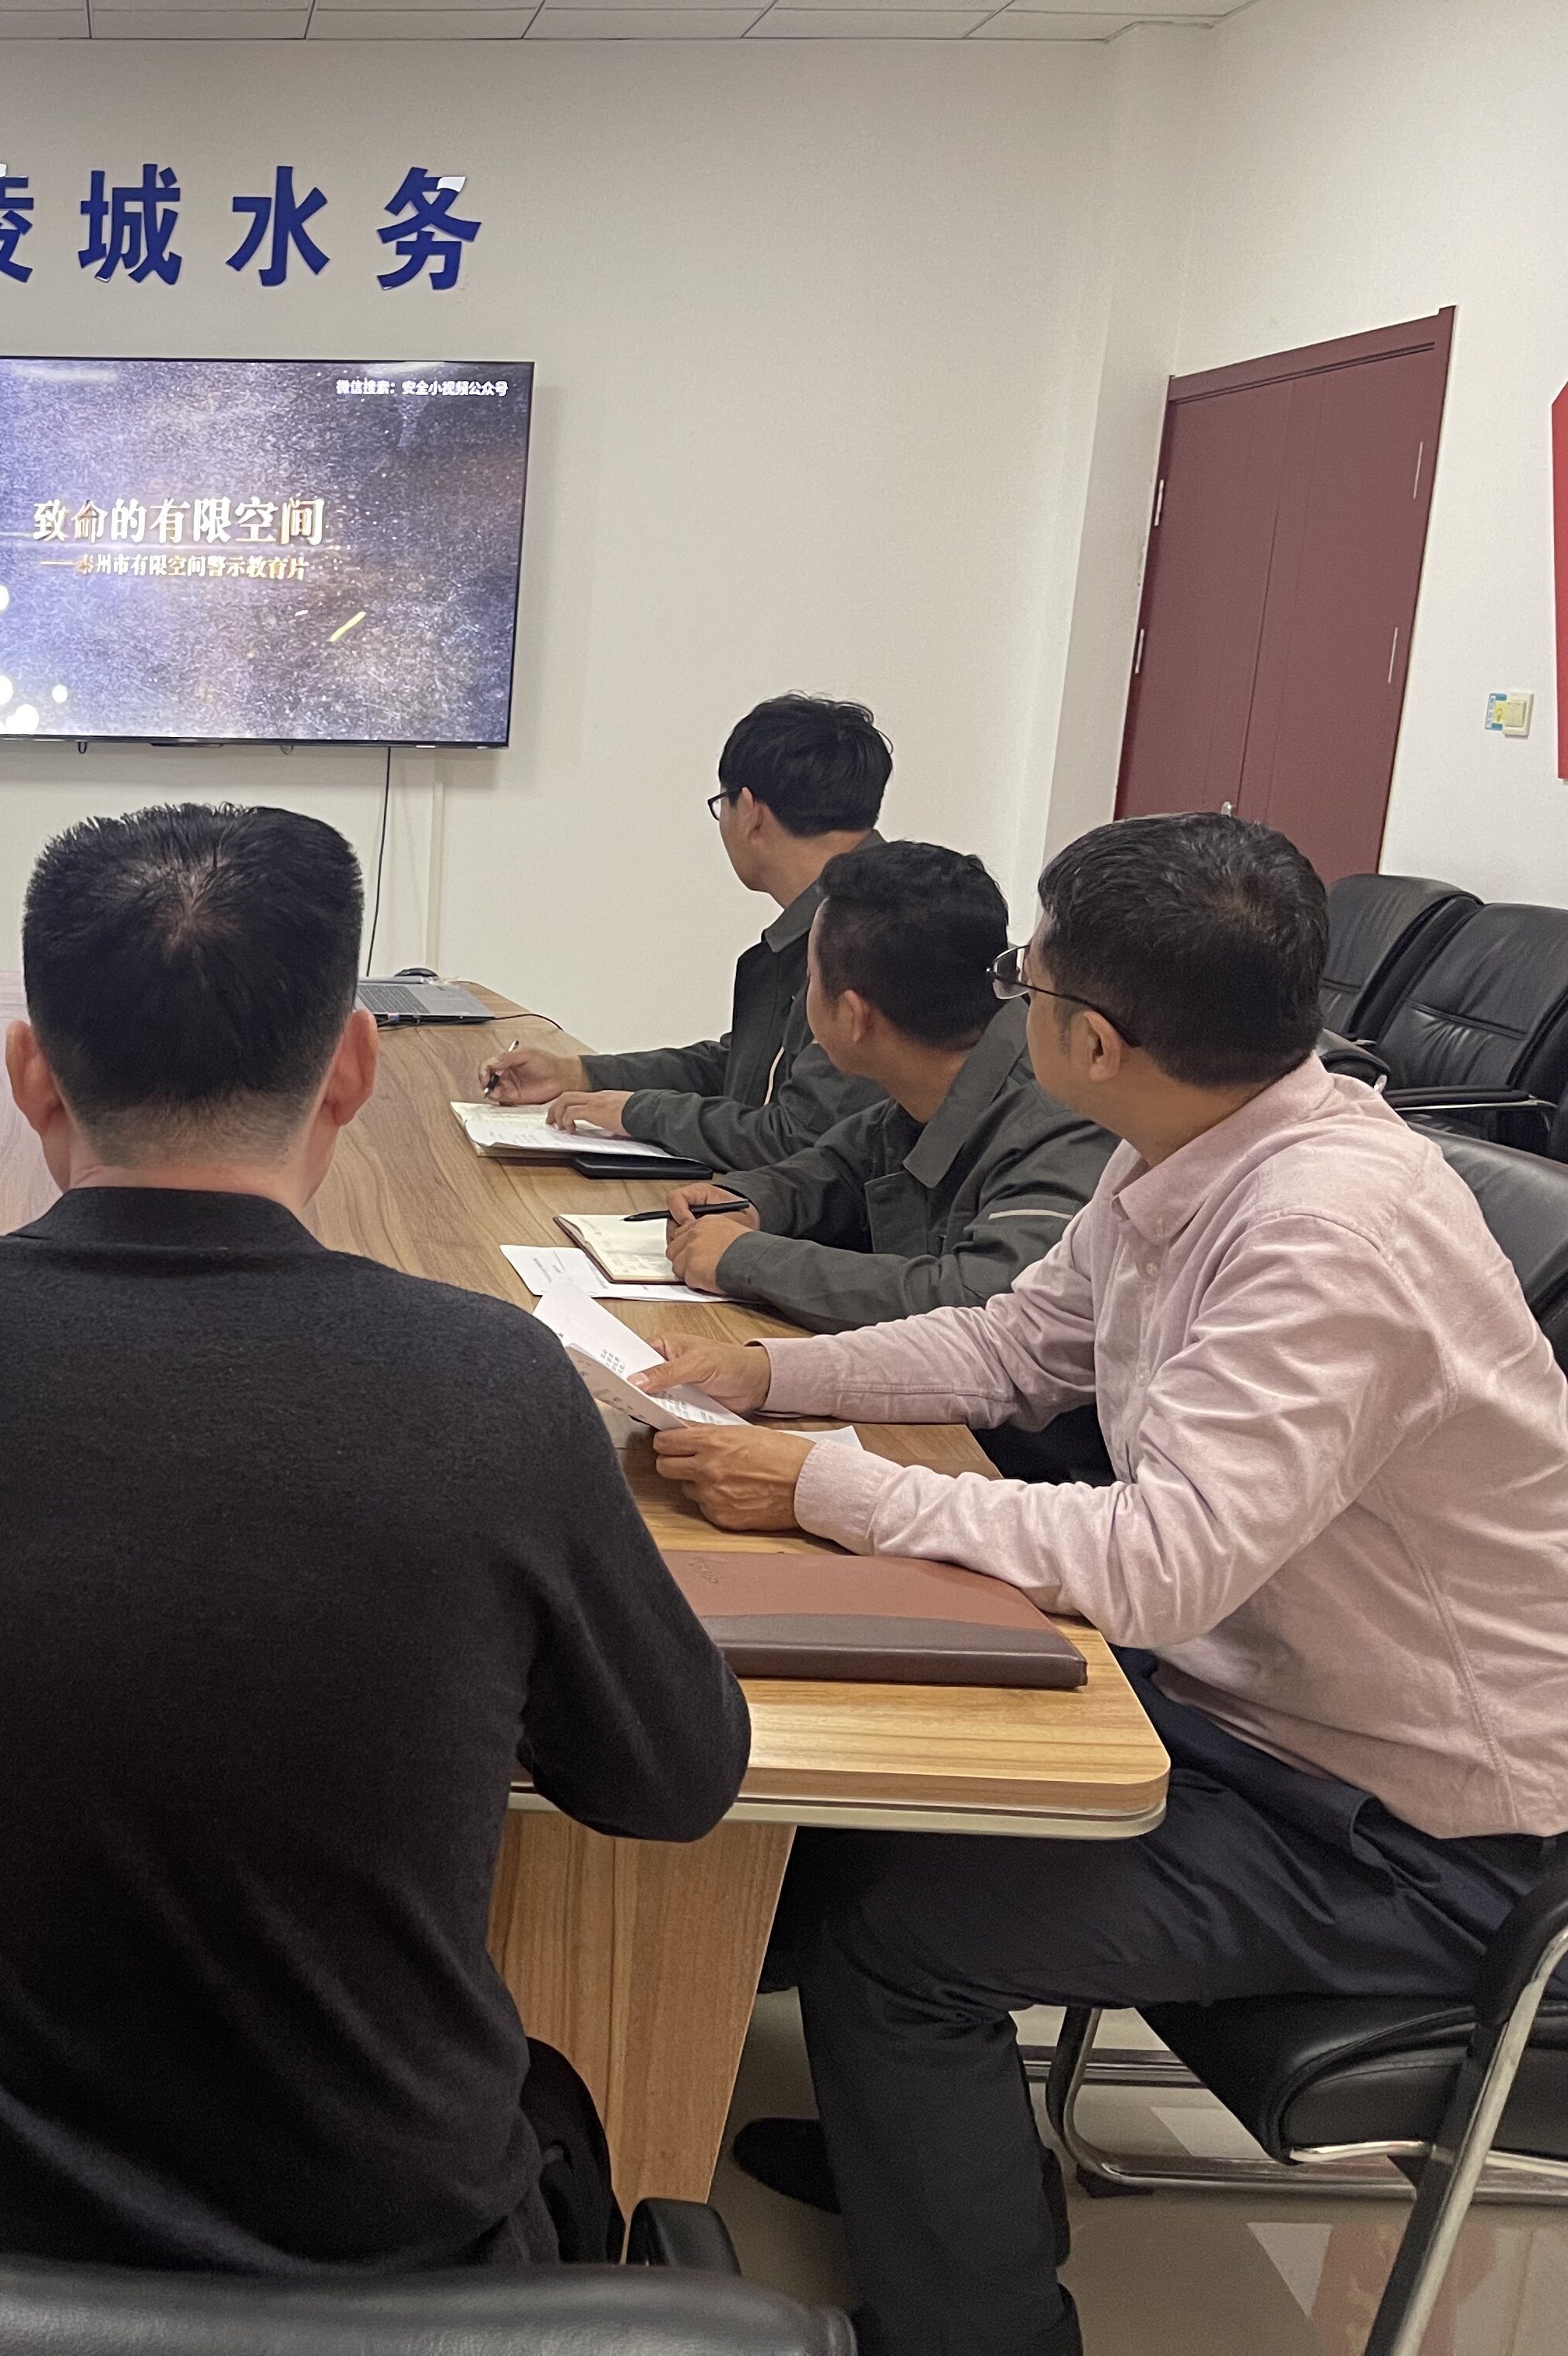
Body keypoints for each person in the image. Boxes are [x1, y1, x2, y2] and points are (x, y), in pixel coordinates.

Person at [0, 801, 751, 2274]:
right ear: (353, 1064)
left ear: (29, 1072)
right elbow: (673, 1779)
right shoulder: (487, 1378)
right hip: (387, 2271)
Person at [636, 813, 1568, 2356]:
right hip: (1262, 1714)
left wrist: (824, 1485)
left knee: (907, 1940)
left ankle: (980, 2323)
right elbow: (1017, 1344)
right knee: (863, 1799)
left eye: (1029, 976)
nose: (1013, 999)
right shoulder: (1195, 1145)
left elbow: (1160, 1561)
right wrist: (774, 1377)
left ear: (1092, 1038)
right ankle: (938, 2175)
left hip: (1422, 1833)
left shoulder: (1326, 1231)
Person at [658, 838, 1113, 1482]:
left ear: (852, 1016)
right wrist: (750, 1203)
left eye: (811, 981)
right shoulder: (944, 1071)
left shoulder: (1056, 1113)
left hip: (1030, 1478)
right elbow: (840, 1168)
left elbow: (976, 1301)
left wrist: (746, 1258)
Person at [484, 694, 891, 1162]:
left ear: (750, 811)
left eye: (722, 805)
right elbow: (745, 1072)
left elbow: (802, 1139)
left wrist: (640, 1112)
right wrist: (581, 1074)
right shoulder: (860, 907)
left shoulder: (869, 936)